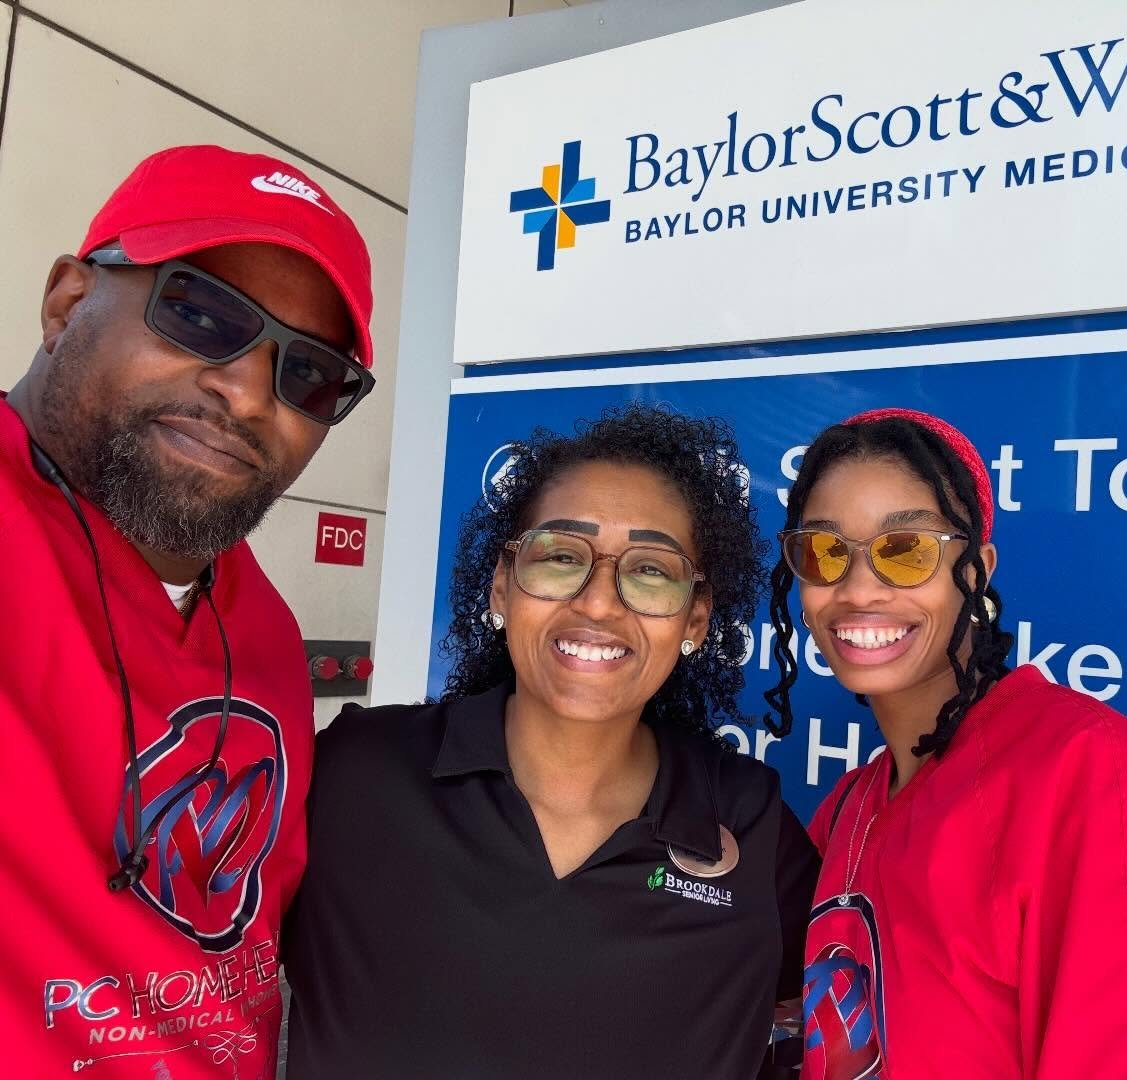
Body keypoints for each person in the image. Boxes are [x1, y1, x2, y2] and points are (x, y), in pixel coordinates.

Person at [283, 404, 819, 1079]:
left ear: (697, 619)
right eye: (563, 556)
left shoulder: (748, 818)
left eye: (651, 570)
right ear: (504, 584)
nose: (599, 603)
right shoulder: (357, 771)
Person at [765, 407, 1127, 1079]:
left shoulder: (1096, 787)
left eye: (907, 550)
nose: (860, 586)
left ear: (978, 571)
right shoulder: (850, 808)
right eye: (824, 551)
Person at [0, 144, 376, 1077]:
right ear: (67, 302)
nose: (248, 393)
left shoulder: (269, 633)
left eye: (311, 375)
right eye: (200, 313)